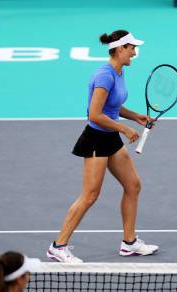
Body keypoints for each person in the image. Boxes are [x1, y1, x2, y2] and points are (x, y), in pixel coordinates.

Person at [48, 30, 158, 263]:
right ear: (119, 49)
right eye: (131, 48)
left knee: (133, 185)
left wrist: (135, 116)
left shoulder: (119, 72)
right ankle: (58, 246)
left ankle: (129, 243)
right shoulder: (105, 76)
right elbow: (95, 114)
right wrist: (124, 129)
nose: (135, 52)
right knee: (90, 195)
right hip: (97, 139)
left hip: (110, 138)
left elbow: (114, 106)